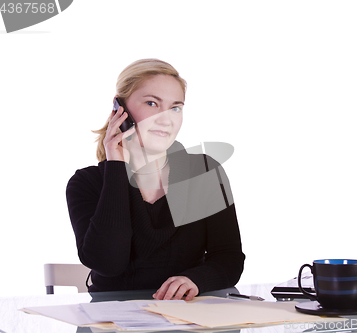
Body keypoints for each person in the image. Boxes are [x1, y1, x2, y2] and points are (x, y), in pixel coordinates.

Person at [66, 59, 245, 301]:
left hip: (189, 317)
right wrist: (116, 167)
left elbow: (228, 257)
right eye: (152, 103)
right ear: (120, 109)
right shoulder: (87, 183)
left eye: (175, 107)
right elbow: (108, 263)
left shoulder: (204, 171)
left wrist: (196, 280)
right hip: (114, 321)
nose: (165, 119)